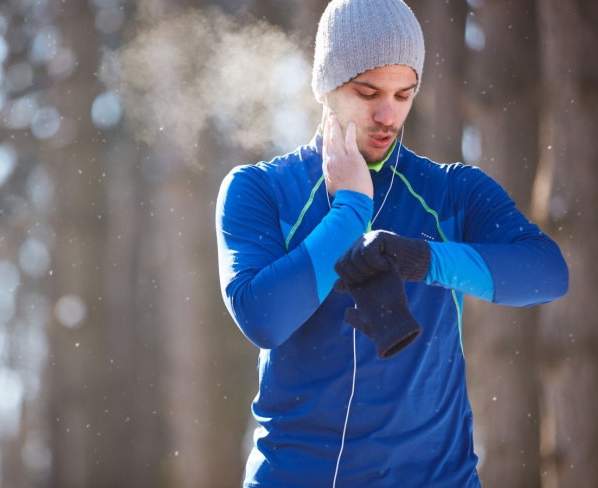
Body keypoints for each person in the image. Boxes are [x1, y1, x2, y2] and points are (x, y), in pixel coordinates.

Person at [214, 0, 569, 486]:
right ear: (327, 86)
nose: (388, 114)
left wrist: (426, 259)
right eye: (368, 91)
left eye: (404, 95)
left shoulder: (450, 190)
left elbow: (548, 274)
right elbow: (263, 317)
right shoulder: (260, 189)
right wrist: (350, 211)